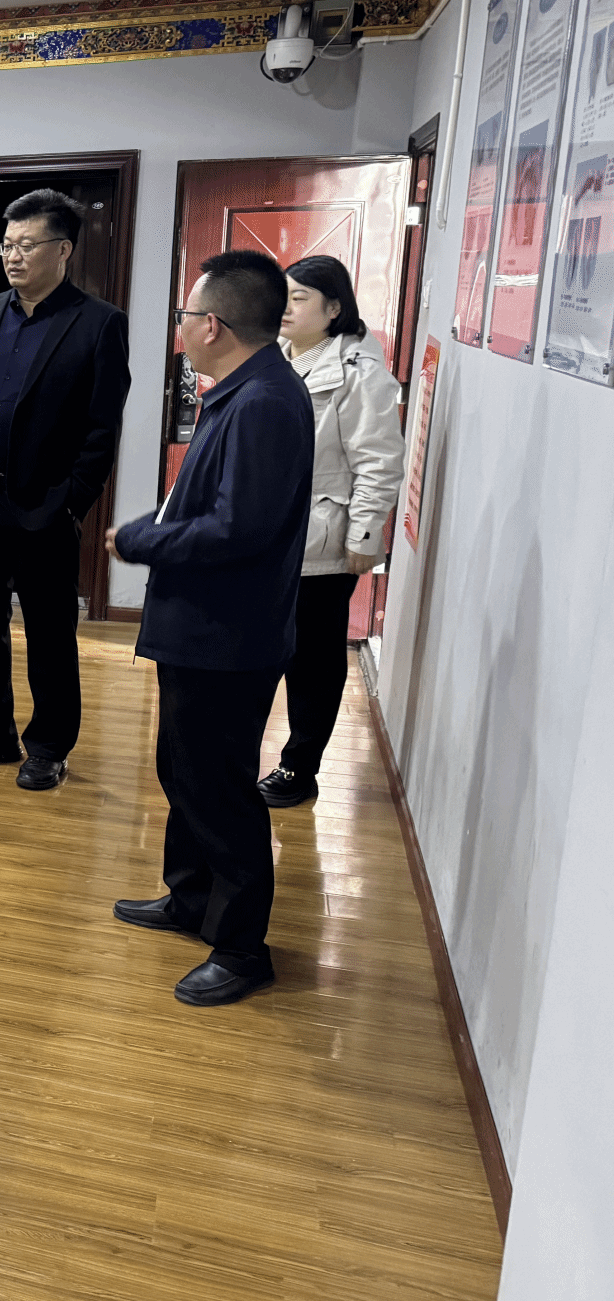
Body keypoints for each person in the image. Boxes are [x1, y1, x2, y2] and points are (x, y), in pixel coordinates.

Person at [107, 249, 314, 1007]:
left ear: (215, 325)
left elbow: (237, 531)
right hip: (203, 629)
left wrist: (142, 540)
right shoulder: (242, 391)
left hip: (228, 637)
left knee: (219, 787)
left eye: (185, 316)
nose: (181, 329)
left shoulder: (263, 404)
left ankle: (243, 947)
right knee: (183, 769)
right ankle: (191, 898)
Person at [0, 189, 131, 791]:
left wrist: (72, 501)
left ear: (63, 250)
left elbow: (102, 428)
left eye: (26, 245)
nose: (12, 256)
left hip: (45, 507)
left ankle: (48, 746)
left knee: (49, 634)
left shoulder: (99, 323)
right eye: (7, 245)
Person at [258, 255, 405, 807]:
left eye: (298, 298)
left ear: (334, 308)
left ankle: (300, 767)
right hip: (268, 536)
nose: (285, 307)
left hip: (322, 540)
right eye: (283, 295)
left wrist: (364, 537)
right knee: (262, 647)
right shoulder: (274, 356)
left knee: (312, 659)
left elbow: (379, 462)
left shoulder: (359, 373)